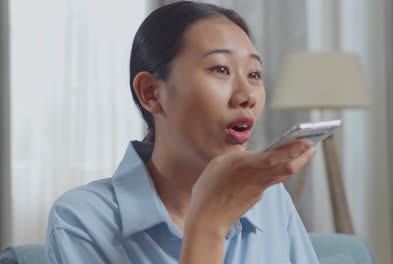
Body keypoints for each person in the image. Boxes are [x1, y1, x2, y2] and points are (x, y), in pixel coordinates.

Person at [45, 1, 319, 263]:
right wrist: (208, 224)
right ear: (151, 93)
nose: (247, 95)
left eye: (254, 74)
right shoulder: (81, 220)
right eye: (220, 69)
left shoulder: (269, 199)